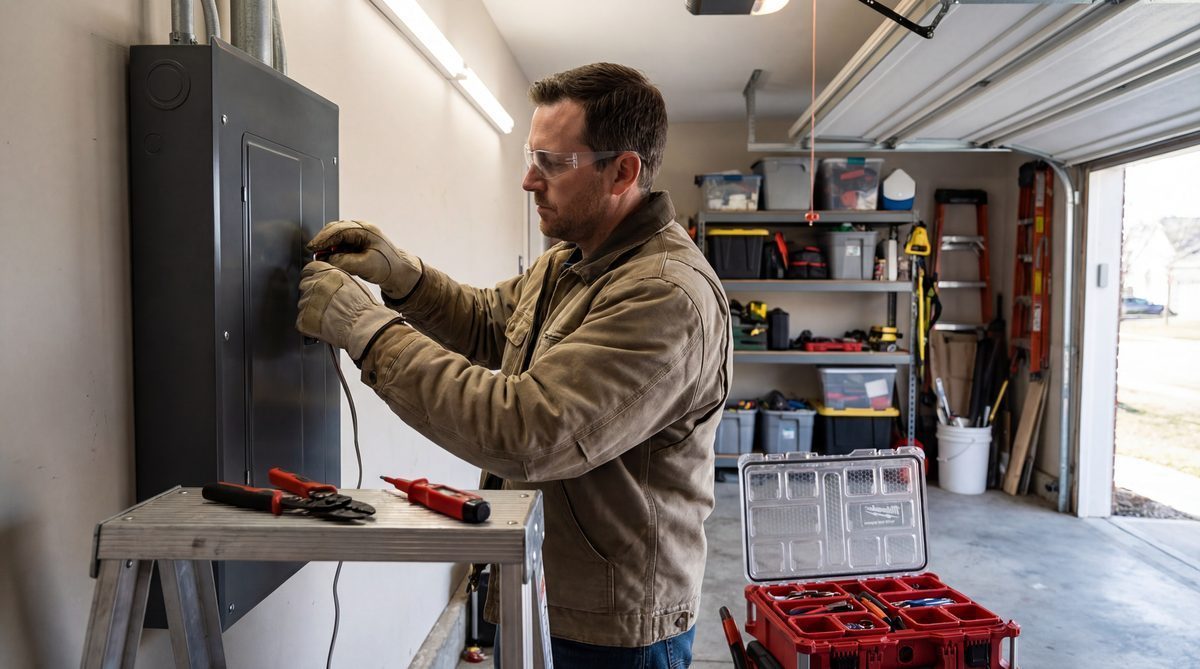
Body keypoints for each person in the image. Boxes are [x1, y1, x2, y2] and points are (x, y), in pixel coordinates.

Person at [296, 62, 731, 667]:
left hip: (612, 630)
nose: (529, 180)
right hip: (535, 584)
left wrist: (364, 328)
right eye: (533, 156)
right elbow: (487, 322)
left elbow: (527, 430)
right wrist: (402, 274)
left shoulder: (664, 296)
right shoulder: (571, 260)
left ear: (622, 172)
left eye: (553, 163)